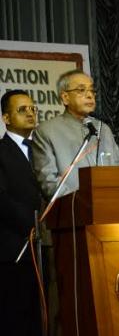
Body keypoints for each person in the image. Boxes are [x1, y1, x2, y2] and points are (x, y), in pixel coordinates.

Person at [31, 69, 119, 198]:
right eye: (81, 90)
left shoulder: (103, 128)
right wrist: (82, 202)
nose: (90, 95)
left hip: (111, 203)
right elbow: (49, 183)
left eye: (92, 90)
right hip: (73, 208)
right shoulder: (47, 130)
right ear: (65, 98)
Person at [0, 90, 42, 336]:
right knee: (17, 320)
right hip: (14, 250)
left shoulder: (42, 149)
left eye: (33, 108)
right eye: (22, 110)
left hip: (45, 249)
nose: (30, 113)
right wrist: (33, 223)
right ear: (6, 118)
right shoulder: (1, 151)